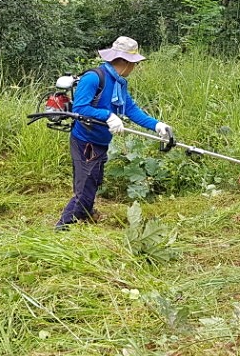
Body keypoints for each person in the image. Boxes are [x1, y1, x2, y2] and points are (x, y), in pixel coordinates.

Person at [55, 36, 173, 230]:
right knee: (84, 184)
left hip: (101, 140)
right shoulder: (94, 78)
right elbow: (80, 108)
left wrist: (157, 125)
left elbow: (131, 109)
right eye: (134, 63)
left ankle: (86, 213)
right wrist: (107, 115)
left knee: (95, 178)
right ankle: (63, 226)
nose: (134, 67)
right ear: (126, 61)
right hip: (85, 140)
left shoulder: (119, 82)